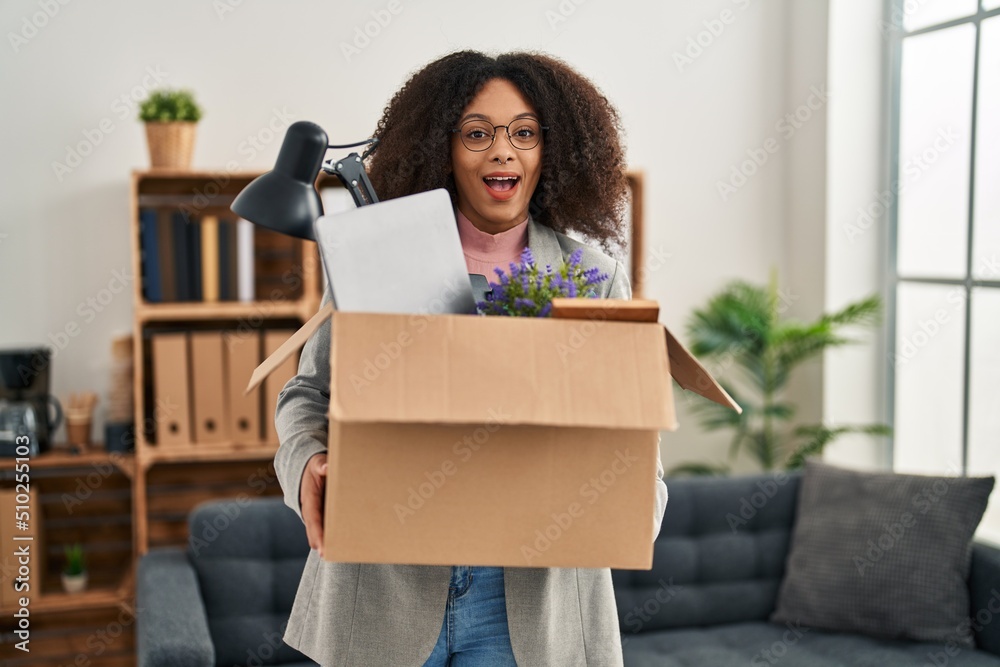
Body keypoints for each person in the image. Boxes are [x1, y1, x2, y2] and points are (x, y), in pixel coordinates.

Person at [274, 50, 669, 667]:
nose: (503, 151)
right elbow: (308, 394)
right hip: (385, 590)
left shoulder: (591, 277)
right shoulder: (379, 254)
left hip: (534, 607)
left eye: (525, 133)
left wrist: (625, 509)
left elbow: (634, 440)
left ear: (553, 150)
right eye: (478, 133)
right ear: (442, 148)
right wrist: (308, 465)